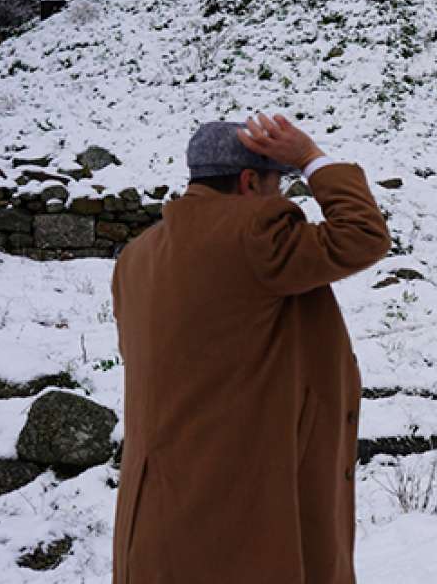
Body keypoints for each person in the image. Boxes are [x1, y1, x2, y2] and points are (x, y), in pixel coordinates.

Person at [110, 114, 391, 584]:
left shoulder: (138, 256)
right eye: (278, 182)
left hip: (159, 515)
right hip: (245, 516)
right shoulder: (253, 232)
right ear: (248, 182)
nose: (280, 194)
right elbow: (363, 236)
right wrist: (310, 159)